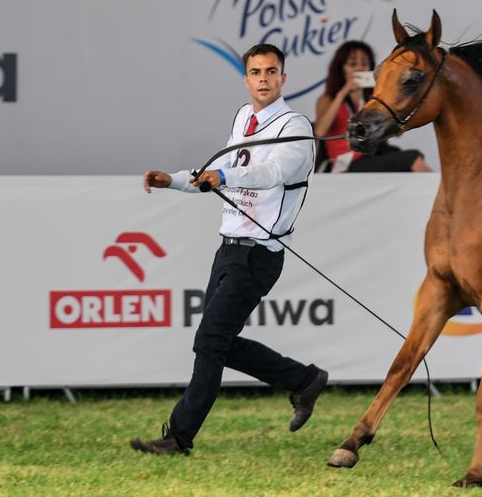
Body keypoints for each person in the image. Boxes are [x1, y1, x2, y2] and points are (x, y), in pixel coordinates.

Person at [131, 44, 328, 456]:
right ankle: (304, 380)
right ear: (246, 78)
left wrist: (222, 175)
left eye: (271, 72)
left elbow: (268, 174)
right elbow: (217, 167)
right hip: (227, 248)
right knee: (217, 341)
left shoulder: (296, 128)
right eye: (255, 72)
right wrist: (176, 180)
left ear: (283, 78)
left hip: (258, 255)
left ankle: (179, 437)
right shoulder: (243, 117)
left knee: (210, 340)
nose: (263, 79)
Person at [314, 40, 431, 173]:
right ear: (341, 69)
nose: (359, 68)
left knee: (411, 157)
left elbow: (394, 132)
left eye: (365, 63)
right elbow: (320, 131)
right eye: (353, 64)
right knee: (412, 159)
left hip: (373, 155)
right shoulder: (328, 98)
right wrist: (342, 93)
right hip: (345, 163)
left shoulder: (374, 99)